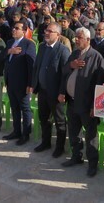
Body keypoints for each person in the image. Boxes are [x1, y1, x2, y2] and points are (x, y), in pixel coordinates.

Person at [59, 27, 104, 177]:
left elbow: (100, 84)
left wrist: (95, 106)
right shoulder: (74, 54)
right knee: (73, 132)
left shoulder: (96, 57)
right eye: (76, 38)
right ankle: (76, 156)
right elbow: (64, 72)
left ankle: (92, 163)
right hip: (72, 102)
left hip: (86, 105)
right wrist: (71, 66)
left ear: (88, 40)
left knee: (91, 135)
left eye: (79, 38)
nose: (76, 40)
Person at [29, 21, 71, 157]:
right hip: (42, 90)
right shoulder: (42, 47)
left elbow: (66, 74)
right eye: (46, 30)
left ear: (58, 34)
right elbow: (37, 67)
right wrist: (34, 84)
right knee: (44, 118)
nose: (46, 33)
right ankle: (45, 142)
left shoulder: (63, 50)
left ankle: (59, 147)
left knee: (59, 121)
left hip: (55, 93)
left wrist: (62, 92)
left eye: (49, 31)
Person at [3, 19, 36, 145]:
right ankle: (16, 131)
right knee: (14, 108)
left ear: (24, 30)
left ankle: (25, 134)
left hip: (22, 83)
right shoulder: (10, 42)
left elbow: (31, 65)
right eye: (13, 28)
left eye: (17, 28)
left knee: (25, 108)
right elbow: (2, 56)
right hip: (10, 81)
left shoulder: (29, 44)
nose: (14, 30)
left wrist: (30, 84)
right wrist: (9, 51)